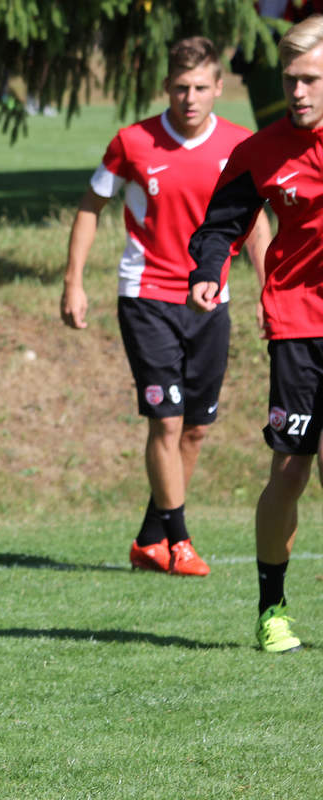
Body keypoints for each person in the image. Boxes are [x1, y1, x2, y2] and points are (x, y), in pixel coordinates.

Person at [60, 36, 270, 577]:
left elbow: (253, 227)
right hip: (147, 296)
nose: (190, 98)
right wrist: (73, 282)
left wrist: (270, 289)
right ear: (166, 88)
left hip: (210, 300)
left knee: (196, 429)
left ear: (219, 87)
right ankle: (179, 541)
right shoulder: (132, 143)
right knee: (167, 421)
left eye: (201, 87)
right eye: (181, 88)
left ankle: (151, 539)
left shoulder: (240, 146)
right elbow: (91, 208)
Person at [189, 14, 323, 653]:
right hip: (297, 324)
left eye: (310, 80)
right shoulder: (260, 151)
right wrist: (208, 270)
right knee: (291, 470)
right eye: (290, 80)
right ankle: (273, 608)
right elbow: (221, 225)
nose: (297, 92)